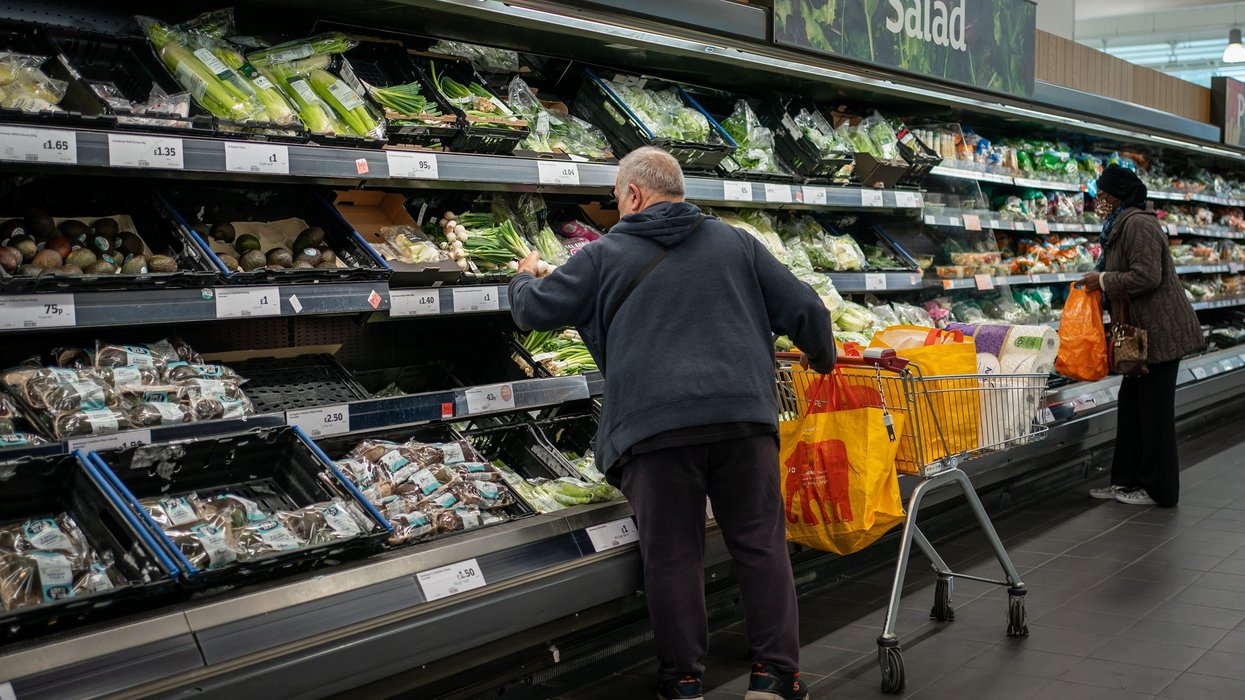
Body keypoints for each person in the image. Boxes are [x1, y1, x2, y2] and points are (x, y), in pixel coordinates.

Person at [509, 146, 836, 700]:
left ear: (634, 194)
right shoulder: (738, 243)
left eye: (616, 198)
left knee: (673, 556)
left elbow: (533, 310)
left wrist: (523, 276)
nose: (616, 209)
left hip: (654, 430)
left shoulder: (603, 254)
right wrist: (822, 358)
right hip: (742, 419)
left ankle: (683, 681)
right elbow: (807, 309)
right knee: (760, 543)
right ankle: (775, 676)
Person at [1081, 164, 1204, 507]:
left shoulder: (1138, 224)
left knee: (1154, 413)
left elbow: (1147, 276)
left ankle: (1159, 490)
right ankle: (1126, 481)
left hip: (1160, 333)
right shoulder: (1120, 224)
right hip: (1137, 333)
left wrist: (1103, 281)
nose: (1099, 202)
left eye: (1103, 195)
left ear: (1118, 196)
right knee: (1132, 407)